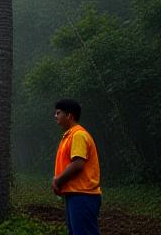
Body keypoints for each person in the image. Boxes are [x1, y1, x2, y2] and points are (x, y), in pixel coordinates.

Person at [53, 99, 101, 235]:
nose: (55, 116)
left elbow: (78, 164)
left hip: (83, 195)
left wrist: (58, 180)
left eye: (58, 113)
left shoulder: (78, 135)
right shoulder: (69, 136)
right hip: (75, 194)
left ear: (69, 115)